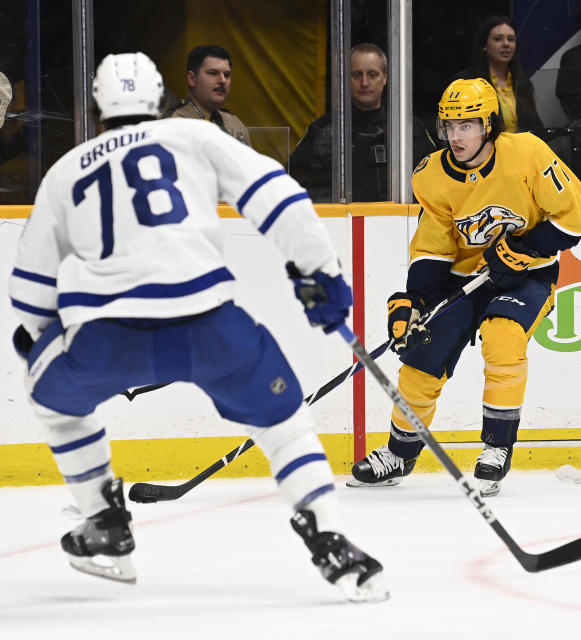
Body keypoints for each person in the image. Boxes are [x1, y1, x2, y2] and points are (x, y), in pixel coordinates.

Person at [7, 53, 386, 602]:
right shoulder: (193, 137)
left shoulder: (67, 169)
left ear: (97, 107)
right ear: (161, 99)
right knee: (284, 424)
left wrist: (39, 338)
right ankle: (330, 538)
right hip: (209, 326)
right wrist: (320, 273)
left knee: (52, 400)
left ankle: (105, 524)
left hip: (109, 338)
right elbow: (277, 196)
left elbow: (30, 286)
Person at [347, 77, 581, 497]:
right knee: (422, 355)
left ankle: (497, 447)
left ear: (489, 125)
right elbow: (434, 246)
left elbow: (577, 216)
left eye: (466, 125)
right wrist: (415, 301)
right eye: (449, 126)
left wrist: (526, 246)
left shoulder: (528, 154)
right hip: (464, 279)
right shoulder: (431, 176)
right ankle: (400, 453)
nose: (455, 136)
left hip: (527, 274)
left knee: (503, 335)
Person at [288, 43, 435, 202]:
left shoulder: (409, 127)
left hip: (402, 222)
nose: (364, 83)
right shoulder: (323, 130)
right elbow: (292, 185)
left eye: (372, 74)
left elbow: (436, 181)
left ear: (385, 77)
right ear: (346, 78)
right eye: (357, 75)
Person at [453, 16, 543, 135]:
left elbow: (536, 127)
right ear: (484, 45)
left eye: (511, 39)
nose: (506, 44)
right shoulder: (468, 82)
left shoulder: (522, 83)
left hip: (521, 150)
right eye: (498, 39)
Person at [168, 45, 250, 145]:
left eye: (227, 75)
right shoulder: (173, 124)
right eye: (213, 73)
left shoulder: (235, 123)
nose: (223, 80)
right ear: (192, 79)